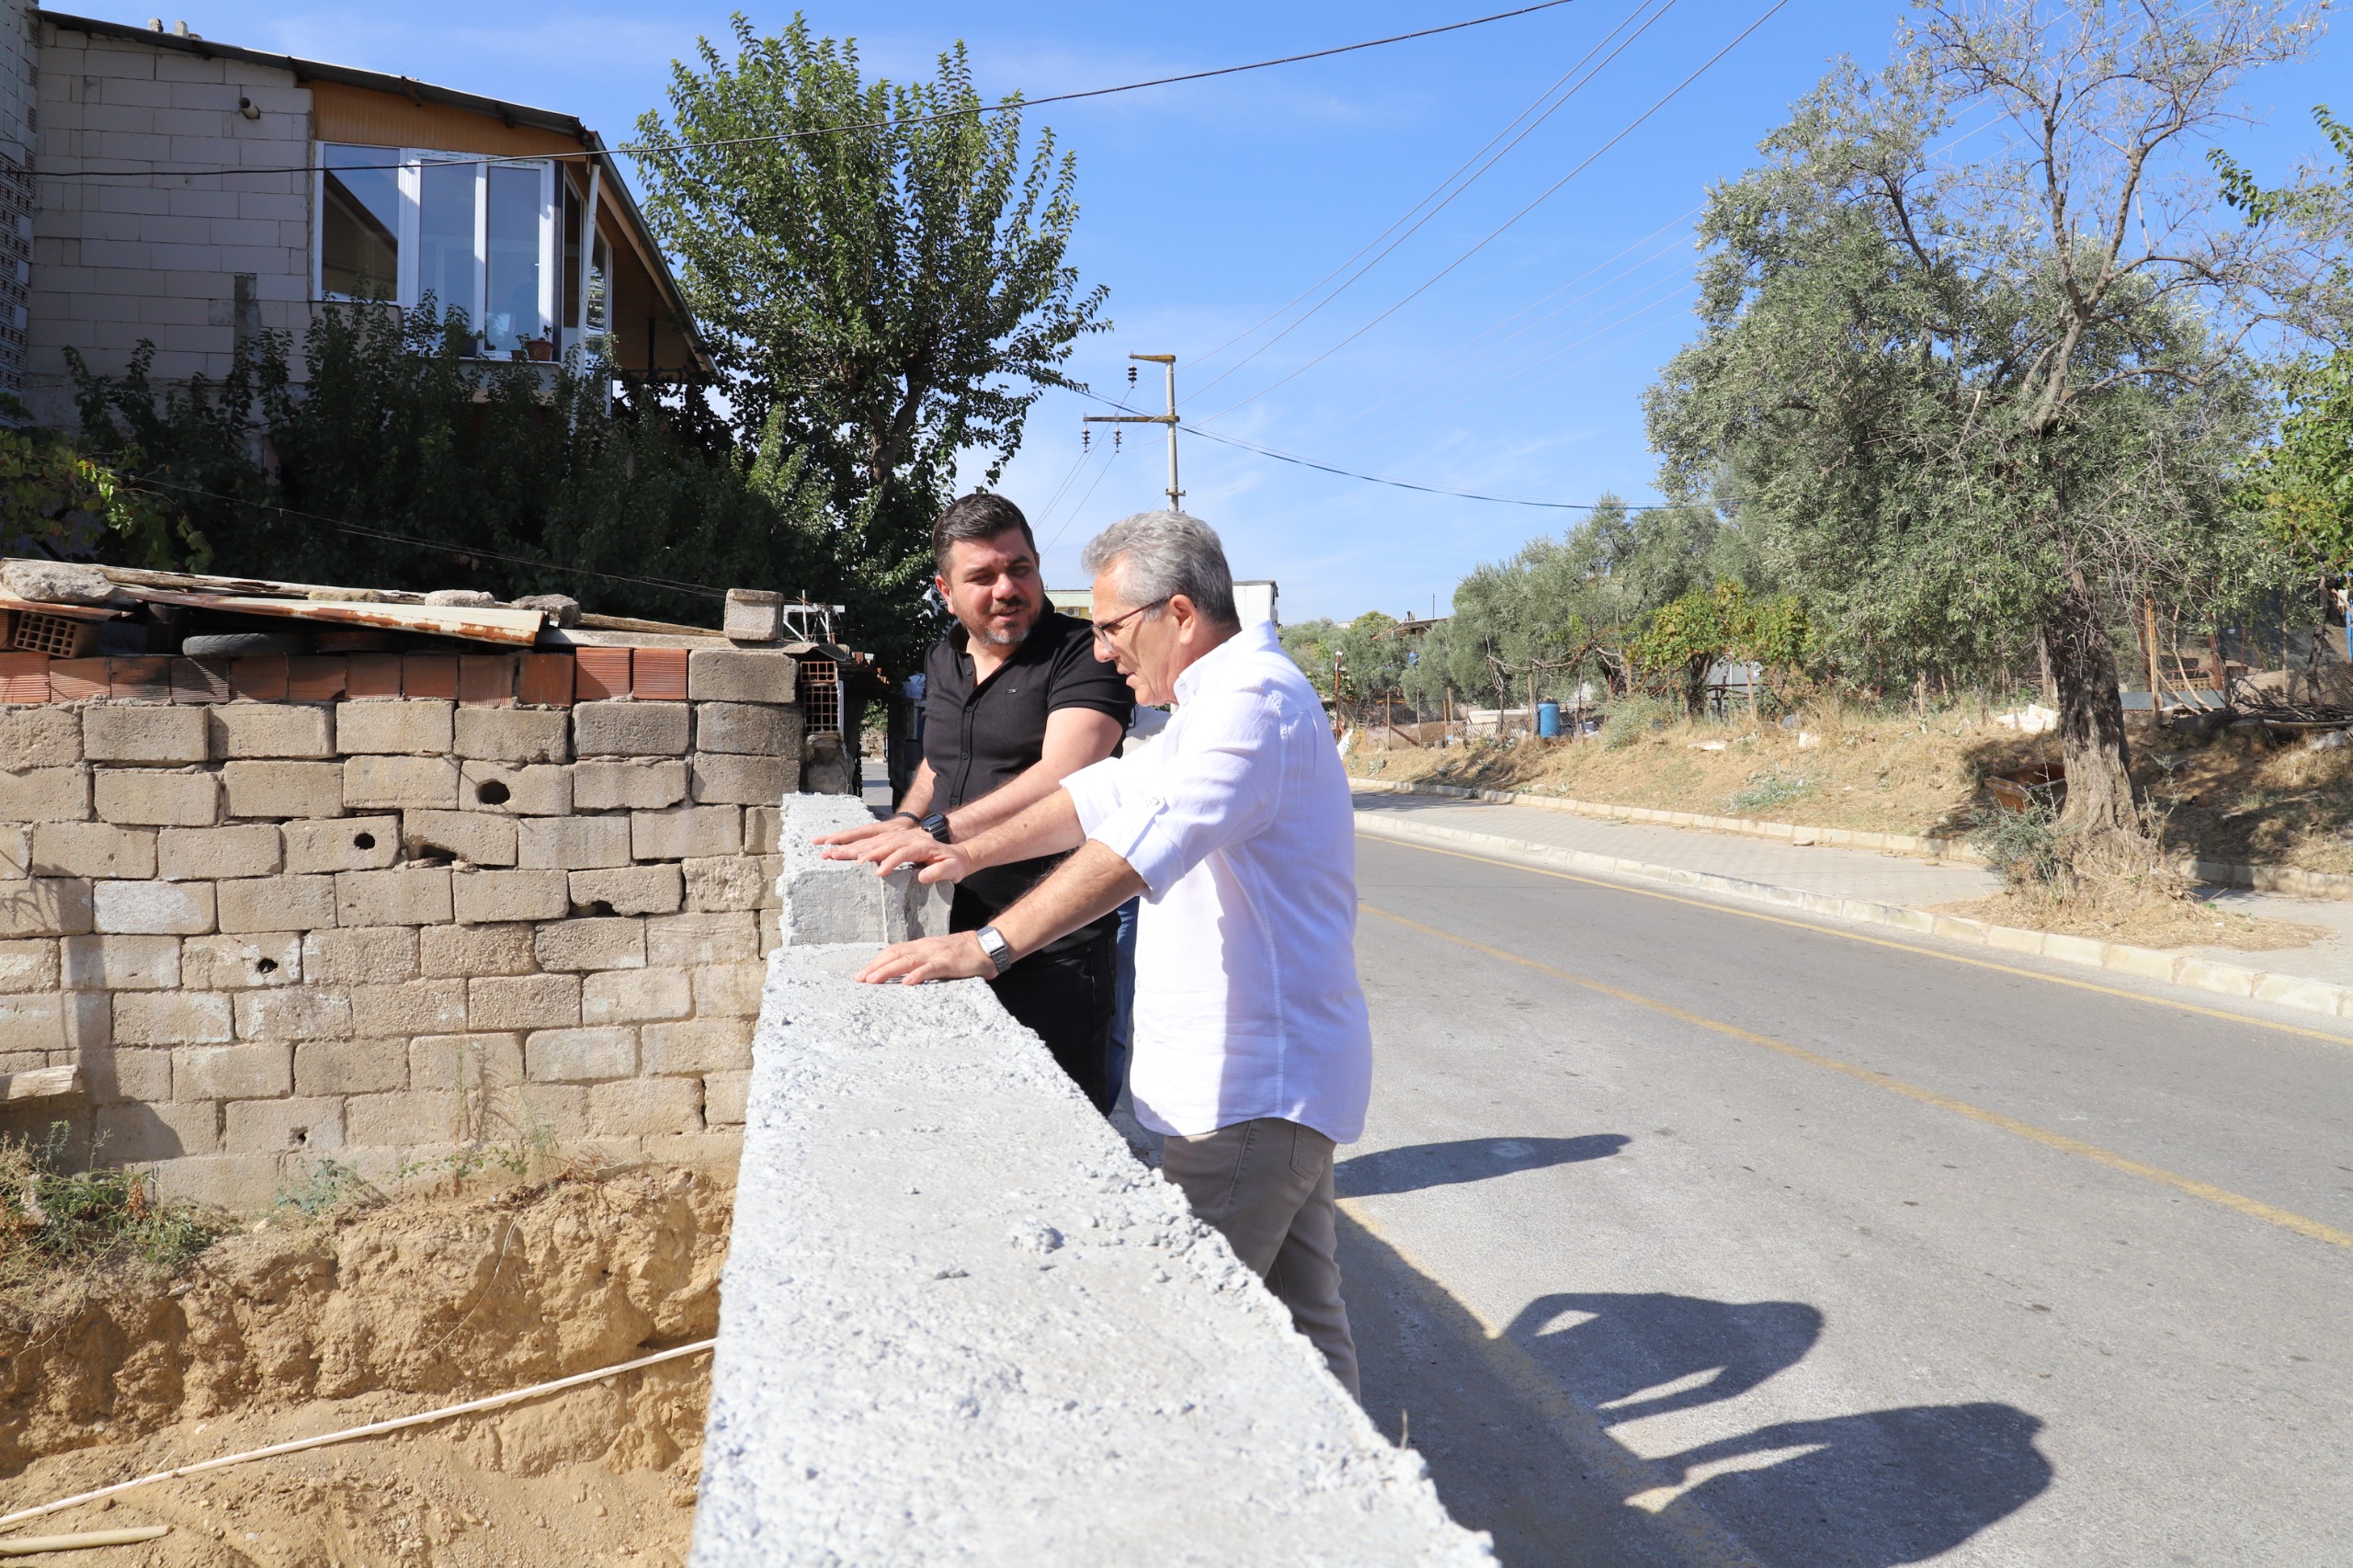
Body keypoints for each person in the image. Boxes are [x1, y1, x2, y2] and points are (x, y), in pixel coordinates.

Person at [853, 510, 1371, 1396]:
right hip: (1264, 1093)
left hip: (1247, 1096)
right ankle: (1362, 1514)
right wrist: (966, 852)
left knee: (1185, 1350)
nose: (1100, 653)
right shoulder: (1214, 705)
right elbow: (1105, 795)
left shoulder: (1252, 706)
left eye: (1111, 628)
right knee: (1302, 1335)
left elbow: (1140, 845)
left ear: (1177, 613)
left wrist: (988, 944)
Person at [816, 492, 1132, 1110]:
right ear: (946, 590)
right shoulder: (943, 657)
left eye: (1020, 568)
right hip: (948, 921)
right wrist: (906, 820)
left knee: (1058, 1112)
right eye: (982, 577)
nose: (1006, 588)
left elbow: (1065, 772)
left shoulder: (1084, 653)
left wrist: (936, 830)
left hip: (1052, 937)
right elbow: (941, 761)